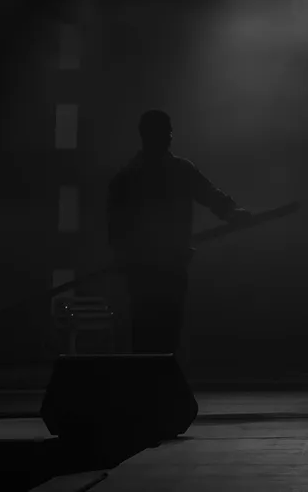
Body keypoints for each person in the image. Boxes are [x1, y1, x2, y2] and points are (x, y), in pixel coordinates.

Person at [107, 110, 252, 354]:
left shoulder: (131, 176)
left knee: (152, 331)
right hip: (158, 266)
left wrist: (231, 212)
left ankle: (153, 383)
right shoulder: (151, 174)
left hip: (153, 267)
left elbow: (115, 225)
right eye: (166, 132)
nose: (170, 137)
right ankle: (158, 382)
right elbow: (116, 225)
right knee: (159, 330)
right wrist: (230, 212)